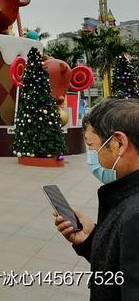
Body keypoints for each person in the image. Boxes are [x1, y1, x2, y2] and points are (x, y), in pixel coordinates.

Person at [53, 98, 139, 300]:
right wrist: (90, 239)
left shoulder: (135, 214)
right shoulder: (125, 197)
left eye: (92, 146)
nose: (91, 156)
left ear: (119, 143)